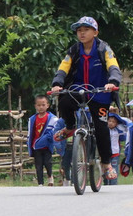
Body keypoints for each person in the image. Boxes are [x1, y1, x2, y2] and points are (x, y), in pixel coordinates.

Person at [51, 16, 121, 179]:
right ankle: (70, 127)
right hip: (77, 90)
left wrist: (112, 82)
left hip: (100, 93)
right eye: (79, 31)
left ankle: (106, 163)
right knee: (64, 102)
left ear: (95, 32)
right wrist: (57, 83)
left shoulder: (104, 48)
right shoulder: (74, 50)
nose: (82, 34)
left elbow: (113, 66)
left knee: (102, 128)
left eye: (86, 30)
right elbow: (63, 67)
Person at [27, 94, 59, 186]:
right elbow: (30, 133)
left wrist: (47, 138)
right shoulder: (33, 119)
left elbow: (54, 130)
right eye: (39, 105)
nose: (41, 107)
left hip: (46, 145)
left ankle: (50, 177)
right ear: (35, 106)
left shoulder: (52, 119)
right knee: (38, 165)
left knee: (47, 163)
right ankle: (40, 183)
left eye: (43, 105)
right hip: (36, 145)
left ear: (47, 105)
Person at [106, 113, 128, 185]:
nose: (111, 123)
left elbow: (125, 125)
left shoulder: (118, 130)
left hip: (115, 153)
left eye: (113, 122)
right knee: (106, 169)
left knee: (114, 168)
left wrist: (117, 113)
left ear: (116, 124)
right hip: (106, 153)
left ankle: (113, 184)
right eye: (109, 121)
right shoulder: (104, 130)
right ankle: (106, 184)